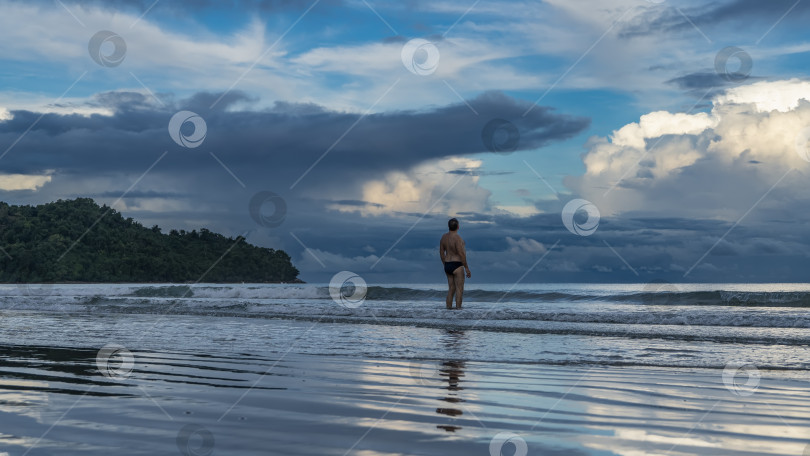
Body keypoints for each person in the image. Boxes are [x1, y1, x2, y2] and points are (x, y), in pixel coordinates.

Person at [439, 218, 471, 310]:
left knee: (451, 289)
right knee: (459, 289)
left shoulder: (443, 237)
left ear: (448, 226)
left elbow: (441, 253)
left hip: (447, 264)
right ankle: (458, 311)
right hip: (457, 265)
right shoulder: (457, 238)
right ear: (458, 227)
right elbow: (461, 254)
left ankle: (448, 309)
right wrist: (467, 268)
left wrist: (445, 264)